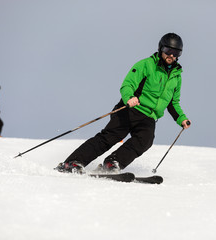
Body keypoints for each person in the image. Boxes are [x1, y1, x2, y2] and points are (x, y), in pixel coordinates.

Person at [56, 33, 191, 173]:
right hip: (130, 109)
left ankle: (112, 163)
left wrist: (182, 118)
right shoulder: (146, 65)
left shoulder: (176, 76)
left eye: (176, 52)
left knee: (145, 141)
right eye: (168, 51)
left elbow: (173, 102)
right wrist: (129, 98)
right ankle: (72, 162)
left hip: (149, 117)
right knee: (109, 137)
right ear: (161, 49)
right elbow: (127, 85)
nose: (172, 55)